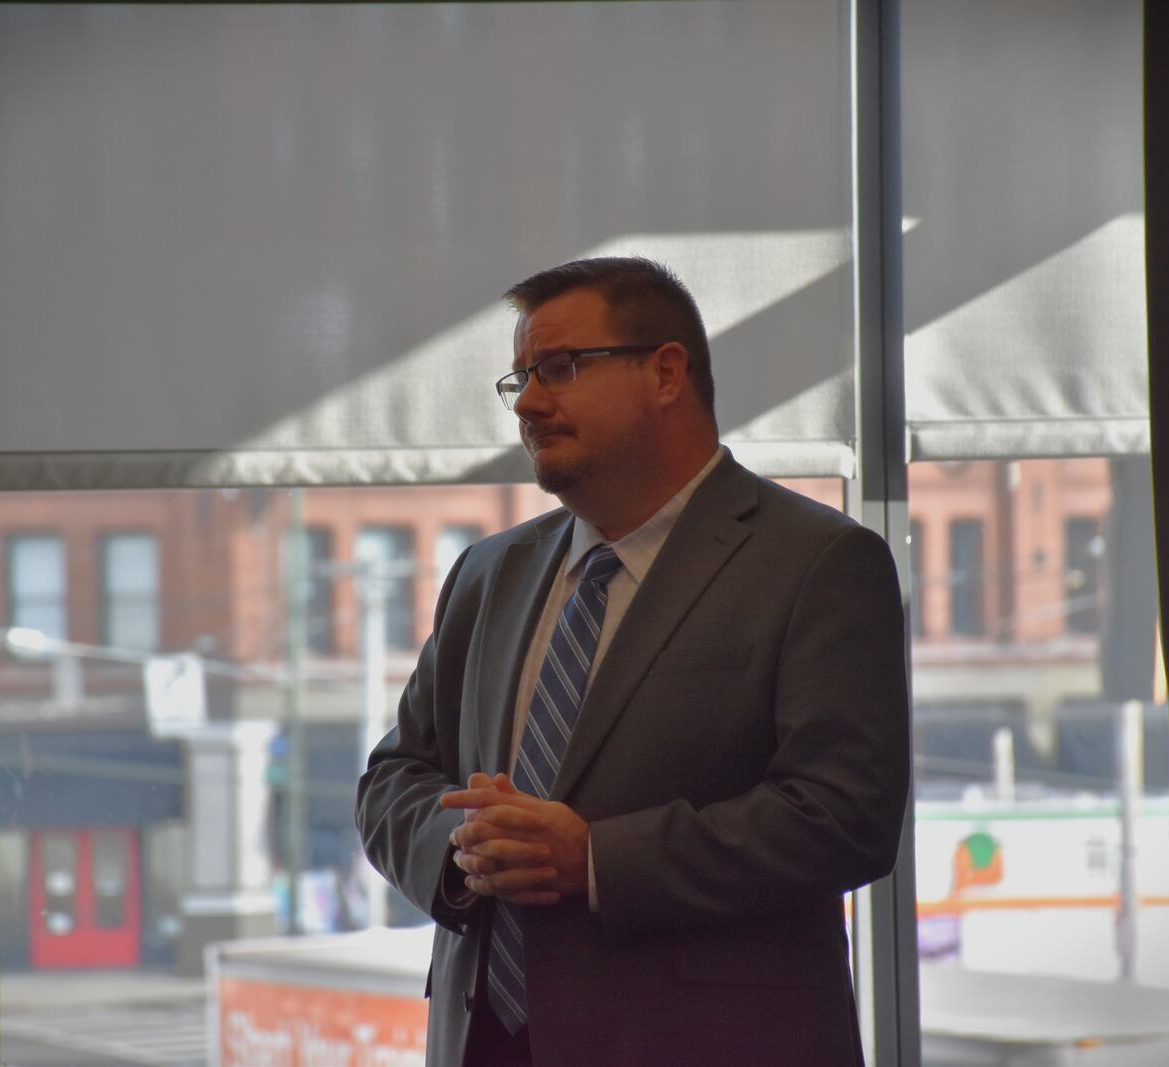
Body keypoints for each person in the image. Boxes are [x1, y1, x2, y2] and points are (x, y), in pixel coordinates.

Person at [356, 257, 910, 1066]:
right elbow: (393, 775)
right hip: (485, 1041)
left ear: (666, 372)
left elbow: (844, 816)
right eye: (520, 381)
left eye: (560, 368)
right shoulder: (488, 572)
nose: (532, 403)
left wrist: (592, 860)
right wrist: (464, 850)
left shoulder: (820, 562)